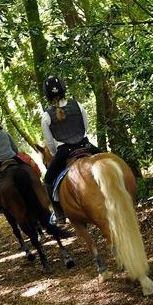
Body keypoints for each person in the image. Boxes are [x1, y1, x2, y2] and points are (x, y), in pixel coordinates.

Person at [41, 76, 101, 224]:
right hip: (85, 146)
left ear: (47, 95)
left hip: (64, 151)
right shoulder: (77, 105)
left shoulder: (46, 116)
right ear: (63, 88)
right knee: (109, 159)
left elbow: (50, 142)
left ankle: (60, 215)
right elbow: (86, 127)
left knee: (48, 181)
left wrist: (57, 155)